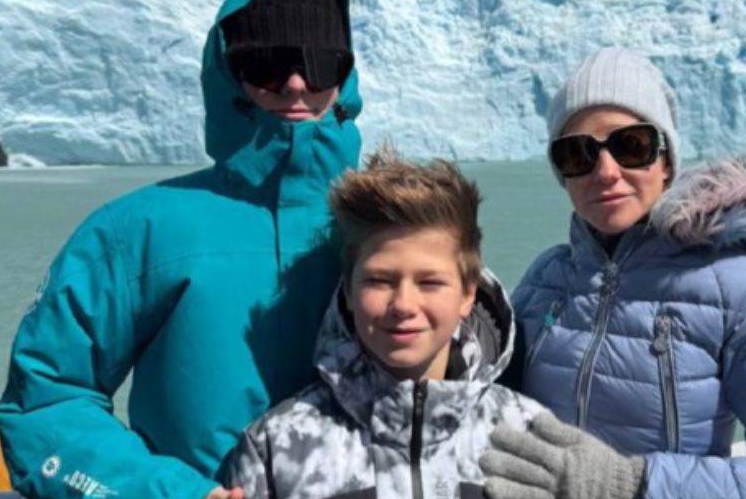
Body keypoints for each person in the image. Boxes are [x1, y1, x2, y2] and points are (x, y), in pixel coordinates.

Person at [0, 0, 363, 499]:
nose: (294, 83)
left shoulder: (392, 223)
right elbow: (46, 401)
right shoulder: (135, 229)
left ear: (345, 74)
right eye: (267, 61)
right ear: (228, 70)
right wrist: (168, 493)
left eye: (320, 63)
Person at [481, 47, 746, 499]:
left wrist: (633, 482)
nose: (605, 172)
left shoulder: (743, 290)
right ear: (562, 174)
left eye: (631, 145)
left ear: (666, 160)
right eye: (577, 153)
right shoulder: (545, 278)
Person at [222, 148, 548, 499]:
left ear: (468, 294)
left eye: (429, 282)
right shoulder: (278, 448)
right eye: (379, 281)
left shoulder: (529, 437)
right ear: (348, 290)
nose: (403, 305)